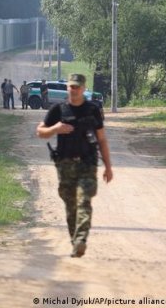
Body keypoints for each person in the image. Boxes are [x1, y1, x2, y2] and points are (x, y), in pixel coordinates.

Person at [36, 74, 113, 258]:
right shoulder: (58, 110)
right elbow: (40, 132)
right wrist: (55, 129)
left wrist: (108, 167)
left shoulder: (92, 110)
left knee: (83, 201)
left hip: (87, 164)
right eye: (71, 86)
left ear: (84, 88)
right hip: (65, 165)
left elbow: (102, 139)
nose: (74, 90)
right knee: (71, 207)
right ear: (68, 88)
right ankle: (75, 243)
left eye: (78, 87)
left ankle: (81, 240)